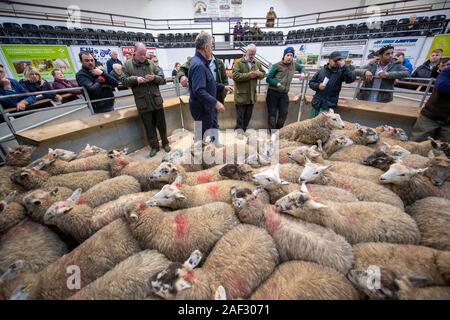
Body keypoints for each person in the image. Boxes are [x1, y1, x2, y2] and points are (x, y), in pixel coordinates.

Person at [121, 43, 170, 157]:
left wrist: (154, 78)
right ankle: (154, 147)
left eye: (145, 54)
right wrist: (136, 79)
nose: (143, 56)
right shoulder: (128, 65)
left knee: (162, 125)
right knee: (149, 127)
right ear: (134, 52)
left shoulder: (151, 63)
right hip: (143, 103)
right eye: (141, 54)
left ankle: (165, 143)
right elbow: (123, 80)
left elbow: (162, 78)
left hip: (156, 101)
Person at [188, 32, 233, 143]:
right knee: (200, 137)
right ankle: (199, 155)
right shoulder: (198, 65)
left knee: (212, 129)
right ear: (206, 47)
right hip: (202, 109)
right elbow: (199, 90)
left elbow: (210, 83)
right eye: (211, 46)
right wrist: (216, 103)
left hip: (206, 108)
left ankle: (214, 148)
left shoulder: (202, 63)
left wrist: (223, 87)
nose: (212, 49)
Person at [266, 47, 305, 129]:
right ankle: (272, 132)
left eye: (291, 55)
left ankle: (278, 130)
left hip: (284, 93)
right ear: (284, 56)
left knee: (284, 112)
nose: (289, 57)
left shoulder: (294, 65)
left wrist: (303, 73)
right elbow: (268, 78)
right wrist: (277, 83)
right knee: (272, 113)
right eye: (288, 55)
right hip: (273, 92)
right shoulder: (276, 65)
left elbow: (302, 68)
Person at [232, 44, 266, 138]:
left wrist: (258, 74)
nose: (252, 55)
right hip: (241, 95)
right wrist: (249, 75)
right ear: (246, 52)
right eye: (251, 53)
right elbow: (235, 76)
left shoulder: (256, 63)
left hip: (251, 95)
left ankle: (243, 130)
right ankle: (239, 132)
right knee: (241, 116)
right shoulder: (238, 62)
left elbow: (264, 74)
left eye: (254, 53)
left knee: (248, 115)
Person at [308, 51, 356, 118]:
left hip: (328, 107)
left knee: (323, 127)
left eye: (339, 60)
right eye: (335, 60)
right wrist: (318, 86)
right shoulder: (322, 70)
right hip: (317, 104)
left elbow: (350, 79)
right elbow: (311, 83)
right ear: (329, 60)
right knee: (311, 124)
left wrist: (344, 66)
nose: (337, 62)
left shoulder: (341, 72)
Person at [411, 62, 450, 142]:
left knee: (444, 150)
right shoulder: (447, 71)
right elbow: (442, 86)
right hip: (431, 116)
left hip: (448, 123)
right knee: (417, 144)